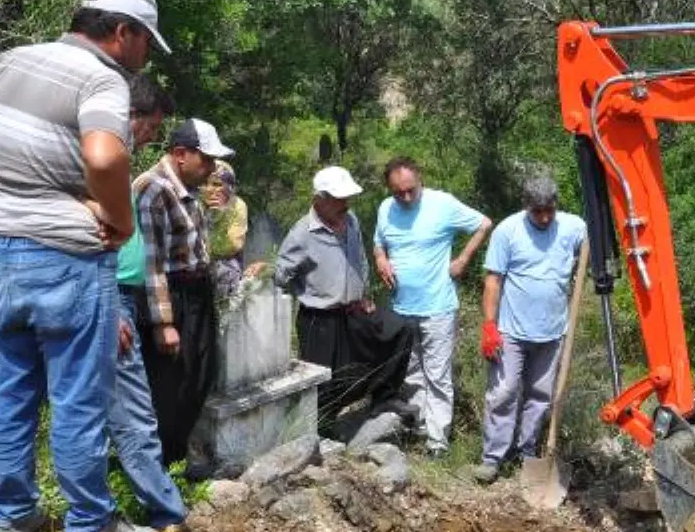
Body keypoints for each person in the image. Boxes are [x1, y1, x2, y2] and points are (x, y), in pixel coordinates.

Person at [0, 0, 171, 532]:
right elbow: (104, 153)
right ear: (122, 33)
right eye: (146, 43)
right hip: (68, 254)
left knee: (12, 383)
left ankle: (13, 515)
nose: (144, 57)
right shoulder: (100, 78)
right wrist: (117, 218)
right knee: (77, 391)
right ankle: (90, 523)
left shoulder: (12, 60)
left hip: (4, 248)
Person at [275, 166, 416, 428]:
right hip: (321, 318)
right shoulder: (302, 233)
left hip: (355, 309)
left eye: (346, 198)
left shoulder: (350, 219)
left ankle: (384, 396)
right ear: (320, 199)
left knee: (401, 330)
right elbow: (281, 275)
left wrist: (363, 292)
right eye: (339, 199)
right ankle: (318, 429)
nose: (345, 204)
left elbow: (360, 258)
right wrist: (306, 295)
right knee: (326, 381)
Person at [110, 73, 189, 532]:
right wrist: (104, 303)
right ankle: (167, 513)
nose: (153, 138)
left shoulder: (116, 159)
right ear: (133, 116)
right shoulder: (110, 158)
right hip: (111, 295)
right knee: (134, 406)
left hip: (121, 293)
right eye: (152, 127)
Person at [373, 157, 492, 457]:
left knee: (437, 374)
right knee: (411, 370)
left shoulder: (442, 204)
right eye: (398, 192)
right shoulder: (386, 208)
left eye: (410, 190)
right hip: (402, 306)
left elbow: (484, 223)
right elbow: (379, 242)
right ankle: (422, 426)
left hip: (437, 305)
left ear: (420, 180)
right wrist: (380, 259)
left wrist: (463, 260)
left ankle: (438, 442)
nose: (405, 197)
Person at [133, 117, 234, 466]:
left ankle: (177, 457)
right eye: (205, 159)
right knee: (170, 385)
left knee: (200, 375)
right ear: (180, 154)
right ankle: (160, 464)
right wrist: (163, 321)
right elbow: (151, 260)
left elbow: (193, 242)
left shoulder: (187, 190)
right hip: (173, 295)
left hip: (196, 290)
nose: (211, 167)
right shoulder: (153, 189)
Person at [473, 174, 586, 484]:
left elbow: (594, 244)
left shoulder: (574, 227)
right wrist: (489, 326)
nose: (545, 216)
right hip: (511, 331)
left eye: (550, 209)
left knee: (540, 396)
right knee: (505, 391)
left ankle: (526, 453)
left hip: (552, 331)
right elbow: (493, 280)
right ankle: (493, 458)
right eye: (538, 211)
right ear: (526, 207)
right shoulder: (507, 231)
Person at [203, 159, 249, 299]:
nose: (210, 189)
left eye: (217, 184)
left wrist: (219, 217)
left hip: (225, 273)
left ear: (229, 187)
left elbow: (233, 246)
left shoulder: (237, 205)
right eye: (205, 183)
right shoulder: (192, 202)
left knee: (226, 267)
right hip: (196, 269)